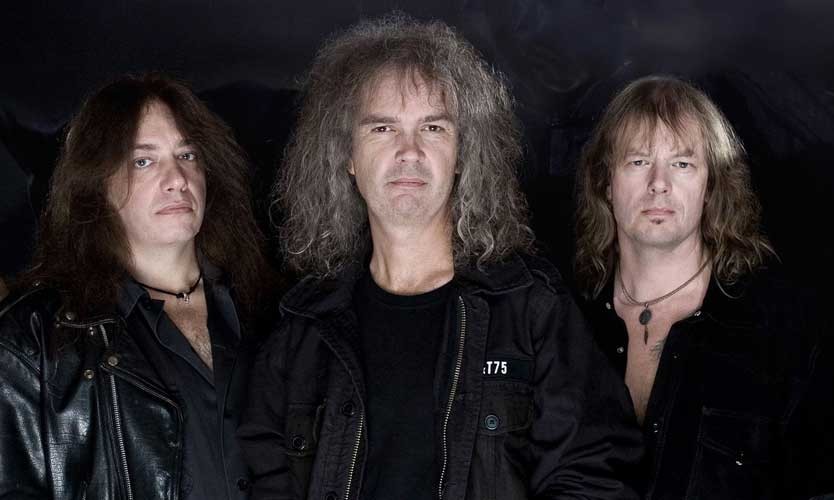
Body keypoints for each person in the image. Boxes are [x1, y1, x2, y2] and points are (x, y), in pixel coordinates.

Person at [238, 16, 642, 500]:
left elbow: (592, 474)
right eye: (382, 128)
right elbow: (267, 479)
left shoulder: (533, 311)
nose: (408, 151)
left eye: (432, 127)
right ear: (348, 157)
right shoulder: (301, 331)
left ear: (462, 155)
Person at [574, 75, 834, 499]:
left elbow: (828, 488)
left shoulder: (785, 330)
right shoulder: (564, 323)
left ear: (710, 186)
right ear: (605, 182)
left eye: (682, 164)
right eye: (638, 161)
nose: (658, 183)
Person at [0, 73, 278, 499]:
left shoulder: (273, 311)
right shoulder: (33, 338)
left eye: (187, 155)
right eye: (143, 161)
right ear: (96, 184)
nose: (177, 179)